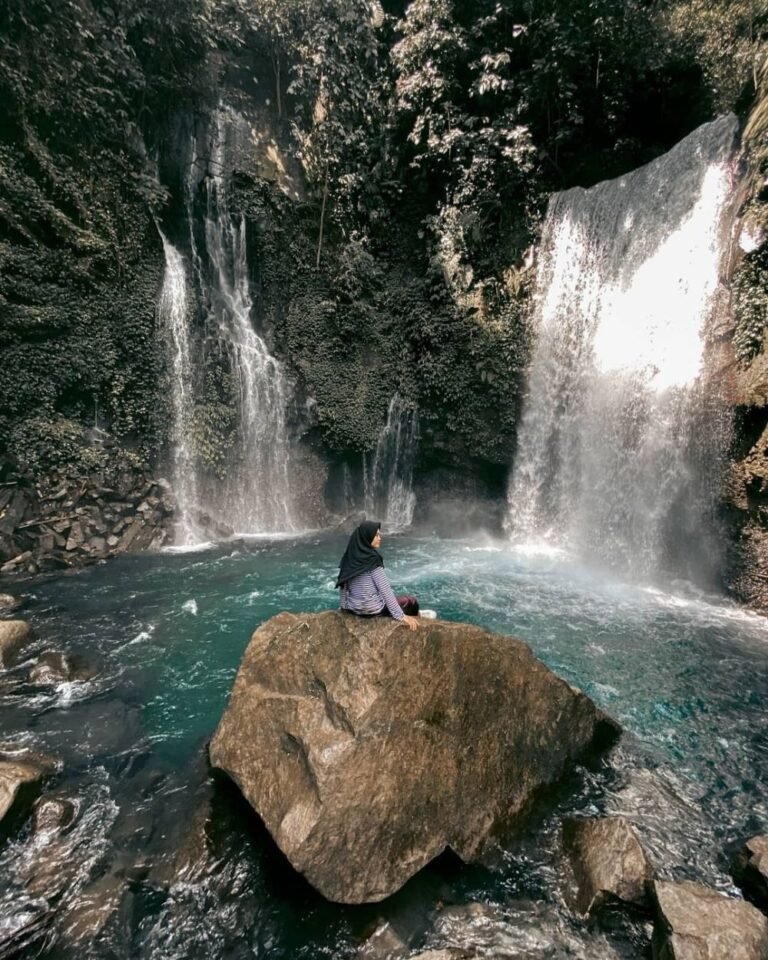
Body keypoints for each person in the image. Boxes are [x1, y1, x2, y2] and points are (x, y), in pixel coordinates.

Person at [336, 520, 420, 631]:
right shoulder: (372, 560)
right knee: (411, 601)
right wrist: (400, 616)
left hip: (354, 609)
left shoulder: (349, 557)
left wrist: (344, 608)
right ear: (367, 537)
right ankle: (418, 617)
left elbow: (343, 584)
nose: (380, 538)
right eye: (376, 535)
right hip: (373, 611)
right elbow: (385, 590)